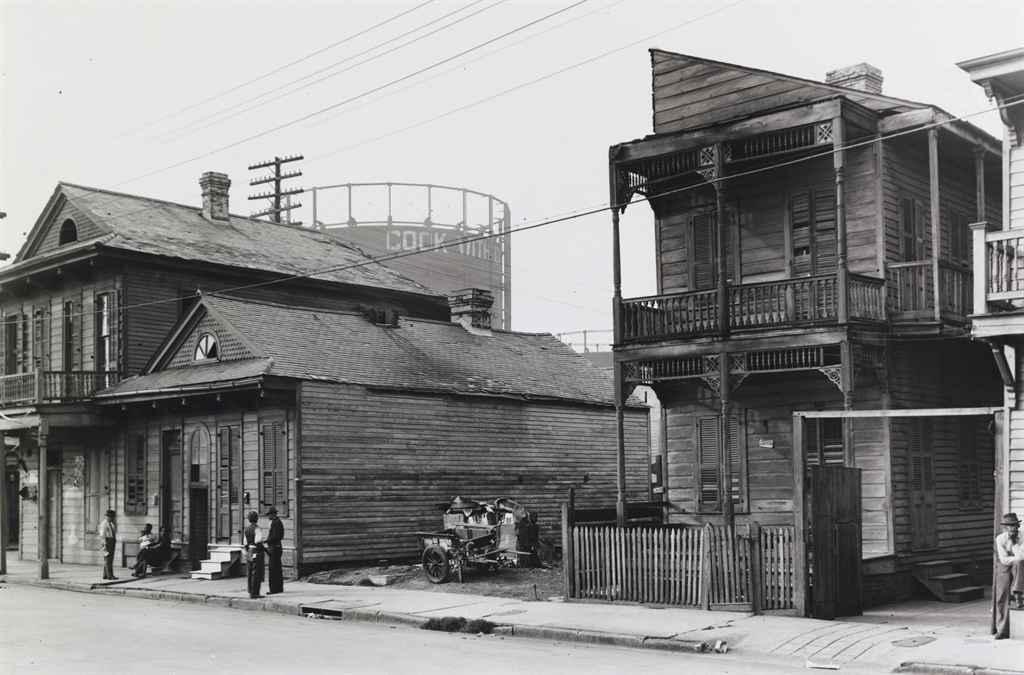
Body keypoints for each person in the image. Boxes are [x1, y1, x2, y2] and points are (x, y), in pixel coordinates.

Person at [993, 512, 1024, 639]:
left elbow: (1022, 557)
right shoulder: (1000, 539)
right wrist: (1015, 556)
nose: (1013, 528)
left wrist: (1015, 543)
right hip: (1004, 567)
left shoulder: (1023, 537)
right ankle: (1002, 630)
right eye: (1010, 526)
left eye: (1015, 525)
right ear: (1005, 527)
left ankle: (1017, 593)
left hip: (1021, 567)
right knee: (1002, 595)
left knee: (1019, 563)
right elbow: (1004, 559)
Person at [244, 511, 265, 599]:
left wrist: (247, 551)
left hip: (249, 550)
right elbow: (258, 541)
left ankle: (250, 591)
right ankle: (255, 592)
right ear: (256, 519)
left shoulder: (247, 529)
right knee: (256, 572)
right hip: (256, 550)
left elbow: (245, 543)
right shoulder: (257, 529)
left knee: (249, 571)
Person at [265, 506, 284, 594]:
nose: (268, 516)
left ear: (273, 514)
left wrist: (266, 540)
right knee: (277, 569)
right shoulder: (277, 522)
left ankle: (274, 589)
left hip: (275, 547)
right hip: (276, 547)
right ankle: (279, 588)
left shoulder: (276, 523)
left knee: (273, 569)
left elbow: (276, 536)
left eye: (269, 515)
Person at [99, 509, 118, 580]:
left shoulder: (111, 523)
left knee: (109, 559)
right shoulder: (104, 524)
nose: (112, 518)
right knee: (108, 560)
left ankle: (105, 575)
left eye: (113, 517)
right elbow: (102, 535)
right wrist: (104, 545)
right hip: (107, 542)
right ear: (107, 517)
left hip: (111, 541)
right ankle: (110, 575)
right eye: (111, 517)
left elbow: (114, 532)